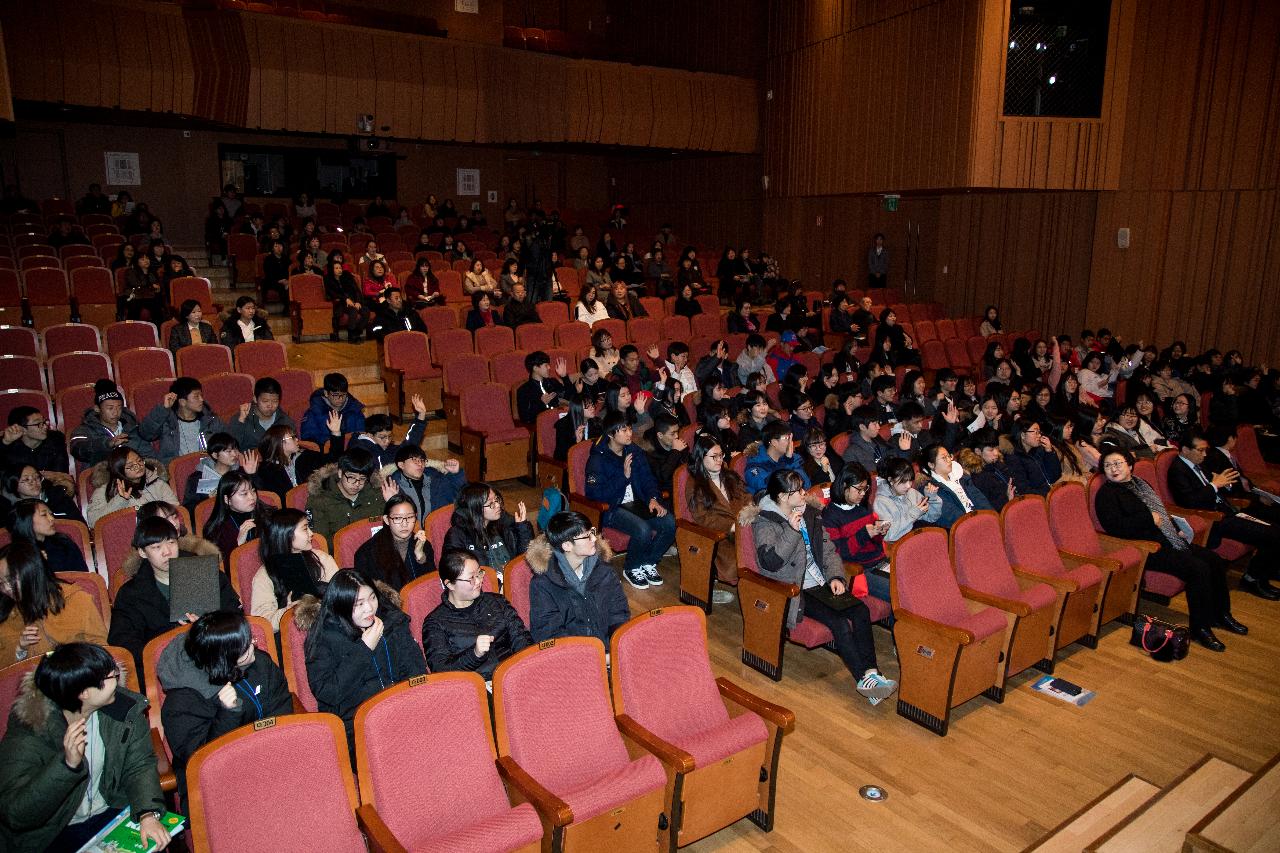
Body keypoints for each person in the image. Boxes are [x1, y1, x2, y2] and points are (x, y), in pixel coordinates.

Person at [0, 642, 171, 851]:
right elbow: (16, 814)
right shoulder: (31, 730)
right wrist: (66, 766)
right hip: (54, 831)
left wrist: (147, 813)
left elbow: (139, 765)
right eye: (110, 676)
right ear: (84, 693)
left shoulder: (123, 709)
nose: (117, 677)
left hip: (110, 810)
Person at [746, 469, 897, 704]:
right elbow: (771, 563)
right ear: (784, 497)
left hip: (820, 582)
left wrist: (836, 577)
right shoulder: (765, 521)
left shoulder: (809, 514)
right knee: (838, 623)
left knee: (860, 610)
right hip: (795, 589)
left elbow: (828, 551)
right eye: (798, 491)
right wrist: (790, 531)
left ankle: (871, 674)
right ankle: (863, 679)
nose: (805, 494)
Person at [1095, 447, 1241, 651]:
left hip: (1167, 538)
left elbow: (1160, 512)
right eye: (1108, 465)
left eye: (1118, 463)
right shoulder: (1107, 494)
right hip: (1146, 547)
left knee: (1213, 560)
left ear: (1129, 465)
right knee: (1197, 568)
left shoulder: (1141, 483)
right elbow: (1117, 528)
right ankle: (1201, 628)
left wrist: (1174, 529)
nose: (1113, 469)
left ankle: (1222, 614)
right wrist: (1148, 519)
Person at [156, 610, 291, 802]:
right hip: (219, 788)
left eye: (250, 639)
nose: (255, 644)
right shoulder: (180, 703)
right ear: (225, 658)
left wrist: (273, 752)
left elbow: (280, 704)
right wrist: (228, 714)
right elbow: (201, 760)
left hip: (267, 760)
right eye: (245, 648)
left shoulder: (259, 662)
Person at [298, 569, 426, 751]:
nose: (369, 608)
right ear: (341, 605)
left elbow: (416, 669)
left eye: (372, 598)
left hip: (401, 710)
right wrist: (364, 650)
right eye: (359, 604)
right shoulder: (325, 637)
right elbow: (329, 692)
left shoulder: (391, 621)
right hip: (356, 726)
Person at [109, 517, 240, 679]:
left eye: (171, 543)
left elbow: (235, 616)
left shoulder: (206, 574)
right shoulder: (131, 593)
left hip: (215, 657)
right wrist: (168, 645)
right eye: (156, 547)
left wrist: (207, 626)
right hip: (165, 670)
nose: (167, 552)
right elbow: (123, 642)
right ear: (142, 552)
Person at [1168, 432, 1280, 600]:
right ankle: (1252, 578)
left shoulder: (1198, 463)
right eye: (1200, 450)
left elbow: (1217, 486)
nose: (1205, 455)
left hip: (1226, 510)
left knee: (1275, 523)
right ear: (1185, 449)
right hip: (1213, 519)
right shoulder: (1177, 470)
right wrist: (1214, 485)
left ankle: (1263, 573)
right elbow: (1191, 501)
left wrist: (1224, 484)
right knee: (1272, 533)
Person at [585, 412, 676, 588]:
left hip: (637, 504)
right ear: (611, 435)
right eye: (624, 430)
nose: (629, 433)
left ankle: (648, 562)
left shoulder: (633, 450)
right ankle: (632, 567)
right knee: (643, 529)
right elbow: (595, 495)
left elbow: (648, 479)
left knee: (669, 522)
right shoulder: (598, 459)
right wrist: (623, 476)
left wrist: (653, 498)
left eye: (629, 429)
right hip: (611, 508)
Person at [423, 550, 532, 678]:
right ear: (450, 584)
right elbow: (441, 670)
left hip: (513, 674)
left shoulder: (497, 602)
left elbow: (521, 638)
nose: (479, 581)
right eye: (471, 578)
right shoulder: (435, 622)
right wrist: (474, 654)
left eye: (479, 573)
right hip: (476, 688)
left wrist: (523, 669)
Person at [526, 511, 629, 644]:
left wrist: (615, 648)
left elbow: (619, 613)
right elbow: (549, 634)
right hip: (573, 657)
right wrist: (593, 656)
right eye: (587, 536)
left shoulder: (604, 570)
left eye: (592, 532)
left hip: (608, 650)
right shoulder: (543, 584)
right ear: (567, 545)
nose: (594, 539)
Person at [0, 540, 105, 661]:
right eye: (1, 583)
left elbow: (101, 649)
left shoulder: (75, 599)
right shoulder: (5, 613)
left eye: (10, 579)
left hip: (76, 674)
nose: (6, 588)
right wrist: (20, 649)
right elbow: (5, 673)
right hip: (28, 678)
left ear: (31, 573)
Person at [686, 436, 752, 602]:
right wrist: (730, 526)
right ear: (701, 458)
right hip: (720, 536)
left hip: (745, 526)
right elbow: (702, 518)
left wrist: (750, 513)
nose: (719, 460)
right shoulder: (695, 483)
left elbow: (746, 497)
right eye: (713, 456)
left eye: (721, 455)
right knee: (750, 558)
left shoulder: (730, 476)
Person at [253, 509, 339, 631]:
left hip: (330, 628)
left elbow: (341, 596)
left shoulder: (322, 558)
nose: (311, 533)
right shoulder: (265, 574)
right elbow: (263, 625)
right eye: (305, 529)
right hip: (291, 635)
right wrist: (287, 612)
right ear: (286, 534)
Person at [822, 464, 892, 606]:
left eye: (865, 489)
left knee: (913, 582)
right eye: (859, 489)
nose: (863, 494)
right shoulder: (830, 515)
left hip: (880, 562)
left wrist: (879, 532)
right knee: (900, 593)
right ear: (844, 485)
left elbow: (875, 543)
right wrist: (864, 534)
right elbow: (839, 553)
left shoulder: (863, 506)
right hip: (860, 570)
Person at [306, 448, 392, 542]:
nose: (357, 483)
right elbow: (319, 541)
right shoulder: (319, 500)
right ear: (340, 473)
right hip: (338, 553)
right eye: (351, 477)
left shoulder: (376, 494)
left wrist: (392, 502)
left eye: (362, 478)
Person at [255, 415, 345, 504]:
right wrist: (251, 474)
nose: (297, 439)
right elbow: (264, 497)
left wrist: (336, 433)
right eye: (293, 437)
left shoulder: (305, 456)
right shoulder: (266, 470)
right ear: (279, 442)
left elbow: (333, 459)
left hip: (315, 504)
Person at [442, 483, 533, 570]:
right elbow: (453, 571)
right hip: (484, 584)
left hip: (509, 581)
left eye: (496, 499)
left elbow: (524, 559)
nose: (497, 505)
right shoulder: (457, 535)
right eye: (491, 503)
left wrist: (522, 529)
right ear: (475, 508)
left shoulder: (504, 524)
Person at [353, 495, 435, 591]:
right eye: (397, 518)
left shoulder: (423, 544)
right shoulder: (366, 553)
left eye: (410, 517)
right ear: (387, 520)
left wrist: (421, 557)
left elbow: (431, 585)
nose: (404, 524)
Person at [138, 377, 226, 464]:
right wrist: (162, 409)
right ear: (182, 402)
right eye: (196, 396)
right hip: (175, 471)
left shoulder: (211, 420)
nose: (201, 399)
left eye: (201, 395)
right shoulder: (166, 421)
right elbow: (146, 434)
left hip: (207, 468)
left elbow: (227, 444)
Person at [85, 448, 179, 528]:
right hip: (125, 538)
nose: (138, 466)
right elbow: (94, 522)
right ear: (119, 470)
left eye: (139, 461)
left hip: (162, 532)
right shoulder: (105, 490)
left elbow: (176, 510)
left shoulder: (156, 482)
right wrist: (120, 500)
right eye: (131, 466)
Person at [70, 380, 151, 467]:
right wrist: (106, 444)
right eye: (110, 408)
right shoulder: (84, 430)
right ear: (97, 409)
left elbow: (148, 455)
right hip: (103, 475)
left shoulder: (133, 427)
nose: (115, 413)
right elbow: (78, 450)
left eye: (119, 408)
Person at [384, 442, 466, 524]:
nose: (420, 464)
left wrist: (456, 475)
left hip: (437, 532)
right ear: (401, 465)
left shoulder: (437, 480)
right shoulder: (391, 488)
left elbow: (463, 499)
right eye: (415, 460)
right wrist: (393, 501)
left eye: (422, 460)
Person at [201, 470, 270, 564]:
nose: (252, 497)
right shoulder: (216, 530)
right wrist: (238, 543)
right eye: (244, 494)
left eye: (253, 491)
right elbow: (221, 568)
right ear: (227, 499)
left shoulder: (266, 514)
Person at [8, 494, 88, 571]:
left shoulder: (64, 543)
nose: (52, 518)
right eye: (44, 515)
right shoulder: (14, 554)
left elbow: (82, 578)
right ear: (27, 521)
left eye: (50, 514)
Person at [873, 457, 942, 541]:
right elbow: (888, 535)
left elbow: (932, 518)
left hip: (918, 539)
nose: (908, 486)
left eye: (910, 481)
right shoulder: (881, 502)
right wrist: (913, 514)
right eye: (903, 482)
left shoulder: (911, 492)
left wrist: (931, 498)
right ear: (890, 480)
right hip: (900, 547)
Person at [227, 377, 295, 452]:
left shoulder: (285, 421)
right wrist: (240, 422)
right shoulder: (241, 418)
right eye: (265, 401)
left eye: (275, 401)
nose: (270, 405)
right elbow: (230, 449)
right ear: (255, 399)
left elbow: (293, 447)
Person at [744, 421, 810, 496]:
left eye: (791, 437)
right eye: (787, 438)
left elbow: (806, 484)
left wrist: (788, 461)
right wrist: (787, 462)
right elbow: (774, 490)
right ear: (774, 442)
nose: (791, 442)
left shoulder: (792, 458)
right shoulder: (754, 466)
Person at [2, 466, 82, 527]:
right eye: (26, 479)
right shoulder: (8, 509)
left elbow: (80, 527)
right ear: (13, 484)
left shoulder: (59, 497)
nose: (34, 482)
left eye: (37, 477)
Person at [301, 372, 366, 444]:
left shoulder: (355, 409)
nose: (340, 399)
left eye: (344, 395)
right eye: (335, 395)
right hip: (327, 452)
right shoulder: (314, 412)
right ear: (326, 393)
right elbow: (309, 438)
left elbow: (362, 433)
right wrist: (334, 440)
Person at [1004, 419, 1063, 496]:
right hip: (1038, 500)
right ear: (1023, 435)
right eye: (1036, 432)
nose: (1039, 435)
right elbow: (1024, 490)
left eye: (1039, 432)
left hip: (1050, 494)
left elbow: (1055, 476)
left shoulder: (1039, 451)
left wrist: (1049, 452)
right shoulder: (1014, 458)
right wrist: (1048, 494)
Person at [2, 406, 68, 474]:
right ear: (21, 429)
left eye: (44, 422)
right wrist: (5, 442)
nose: (45, 426)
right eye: (38, 424)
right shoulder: (9, 446)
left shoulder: (55, 441)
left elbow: (60, 474)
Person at [967, 428, 1017, 511]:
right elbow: (989, 509)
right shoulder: (978, 477)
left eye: (996, 448)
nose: (996, 453)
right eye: (991, 450)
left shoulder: (997, 464)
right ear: (978, 451)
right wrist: (1008, 500)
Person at [516, 351, 570, 426]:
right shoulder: (524, 390)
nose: (549, 367)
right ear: (535, 368)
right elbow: (525, 417)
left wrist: (564, 377)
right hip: (542, 426)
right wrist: (541, 403)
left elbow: (569, 397)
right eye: (546, 365)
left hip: (560, 421)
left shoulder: (552, 382)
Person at [324, 257, 368, 343]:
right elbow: (332, 293)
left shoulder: (347, 276)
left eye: (340, 268)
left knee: (366, 311)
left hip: (354, 301)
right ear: (331, 270)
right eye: (336, 268)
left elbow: (356, 290)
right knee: (353, 311)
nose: (339, 270)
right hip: (340, 303)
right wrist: (345, 299)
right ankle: (351, 335)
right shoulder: (328, 279)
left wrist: (358, 301)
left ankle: (357, 333)